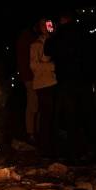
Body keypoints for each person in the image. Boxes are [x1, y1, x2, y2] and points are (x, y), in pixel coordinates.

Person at [45, 10, 93, 161]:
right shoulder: (83, 31)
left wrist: (51, 35)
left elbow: (48, 51)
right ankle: (89, 149)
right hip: (83, 79)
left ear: (62, 19)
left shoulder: (59, 34)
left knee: (70, 116)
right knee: (86, 113)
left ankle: (73, 151)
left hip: (67, 80)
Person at [30, 18, 57, 157]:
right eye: (45, 25)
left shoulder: (54, 42)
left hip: (53, 83)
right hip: (42, 84)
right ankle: (45, 146)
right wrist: (52, 67)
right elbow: (34, 65)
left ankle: (50, 144)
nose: (48, 27)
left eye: (50, 24)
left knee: (52, 115)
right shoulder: (36, 45)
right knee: (46, 115)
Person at [15, 20, 42, 144]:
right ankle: (32, 133)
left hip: (33, 77)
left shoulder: (28, 38)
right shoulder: (28, 39)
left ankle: (35, 132)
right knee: (33, 106)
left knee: (36, 105)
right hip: (31, 77)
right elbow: (27, 61)